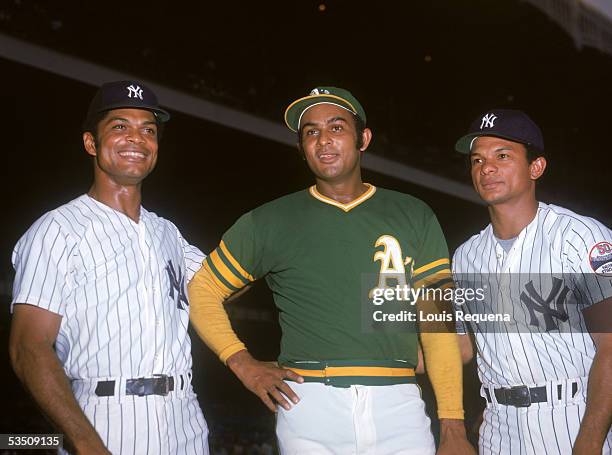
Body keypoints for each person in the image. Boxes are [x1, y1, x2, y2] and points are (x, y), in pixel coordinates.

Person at [188, 87, 475, 454]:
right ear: (301, 147)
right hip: (307, 405)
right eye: (311, 132)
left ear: (363, 139)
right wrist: (243, 363)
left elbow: (438, 327)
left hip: (399, 405)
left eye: (337, 128)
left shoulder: (413, 214)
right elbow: (202, 289)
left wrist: (453, 426)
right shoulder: (269, 220)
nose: (323, 140)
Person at [9, 81, 210, 454]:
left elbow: (220, 286)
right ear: (90, 143)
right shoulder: (57, 229)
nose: (136, 138)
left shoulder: (166, 231)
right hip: (106, 416)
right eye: (120, 126)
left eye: (148, 130)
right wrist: (86, 442)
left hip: (185, 417)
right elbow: (28, 346)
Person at [452, 109, 612, 454]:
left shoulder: (580, 236)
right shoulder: (465, 256)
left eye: (503, 156)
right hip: (497, 427)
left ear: (535, 167)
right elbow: (459, 349)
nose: (486, 168)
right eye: (477, 160)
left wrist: (591, 439)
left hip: (570, 418)